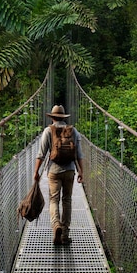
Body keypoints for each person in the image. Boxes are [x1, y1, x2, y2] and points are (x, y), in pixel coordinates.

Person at [34, 104, 84, 245]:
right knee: (67, 200)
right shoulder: (73, 131)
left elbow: (41, 154)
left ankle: (56, 225)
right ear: (63, 117)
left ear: (52, 118)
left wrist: (36, 172)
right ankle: (65, 234)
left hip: (54, 171)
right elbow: (79, 154)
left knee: (54, 200)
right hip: (69, 171)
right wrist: (81, 171)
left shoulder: (48, 131)